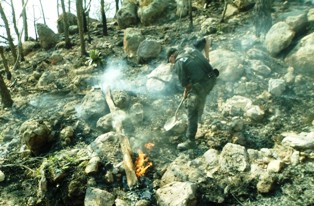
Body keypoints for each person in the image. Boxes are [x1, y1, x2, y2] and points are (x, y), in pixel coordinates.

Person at [167, 37, 218, 151]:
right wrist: (207, 57)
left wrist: (186, 93)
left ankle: (190, 141)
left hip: (202, 85)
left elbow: (186, 84)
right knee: (200, 95)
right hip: (212, 79)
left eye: (169, 60)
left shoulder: (178, 63)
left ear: (172, 56)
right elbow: (207, 40)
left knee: (191, 107)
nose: (171, 63)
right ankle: (200, 118)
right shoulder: (191, 49)